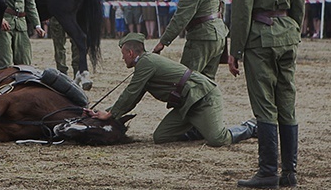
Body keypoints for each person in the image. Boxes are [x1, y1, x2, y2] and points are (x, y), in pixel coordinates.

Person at [229, 0, 305, 189]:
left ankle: (268, 171)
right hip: (287, 37)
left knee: (264, 104)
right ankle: (290, 173)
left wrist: (234, 51)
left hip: (259, 41)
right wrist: (292, 32)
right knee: (287, 101)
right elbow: (299, 9)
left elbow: (241, 14)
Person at [85, 33, 256, 147]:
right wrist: (107, 112)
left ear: (130, 52)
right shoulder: (145, 64)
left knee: (219, 139)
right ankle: (200, 128)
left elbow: (130, 93)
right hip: (186, 104)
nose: (122, 58)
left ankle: (250, 127)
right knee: (162, 137)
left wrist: (110, 114)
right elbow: (134, 97)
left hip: (202, 97)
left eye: (123, 54)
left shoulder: (146, 63)